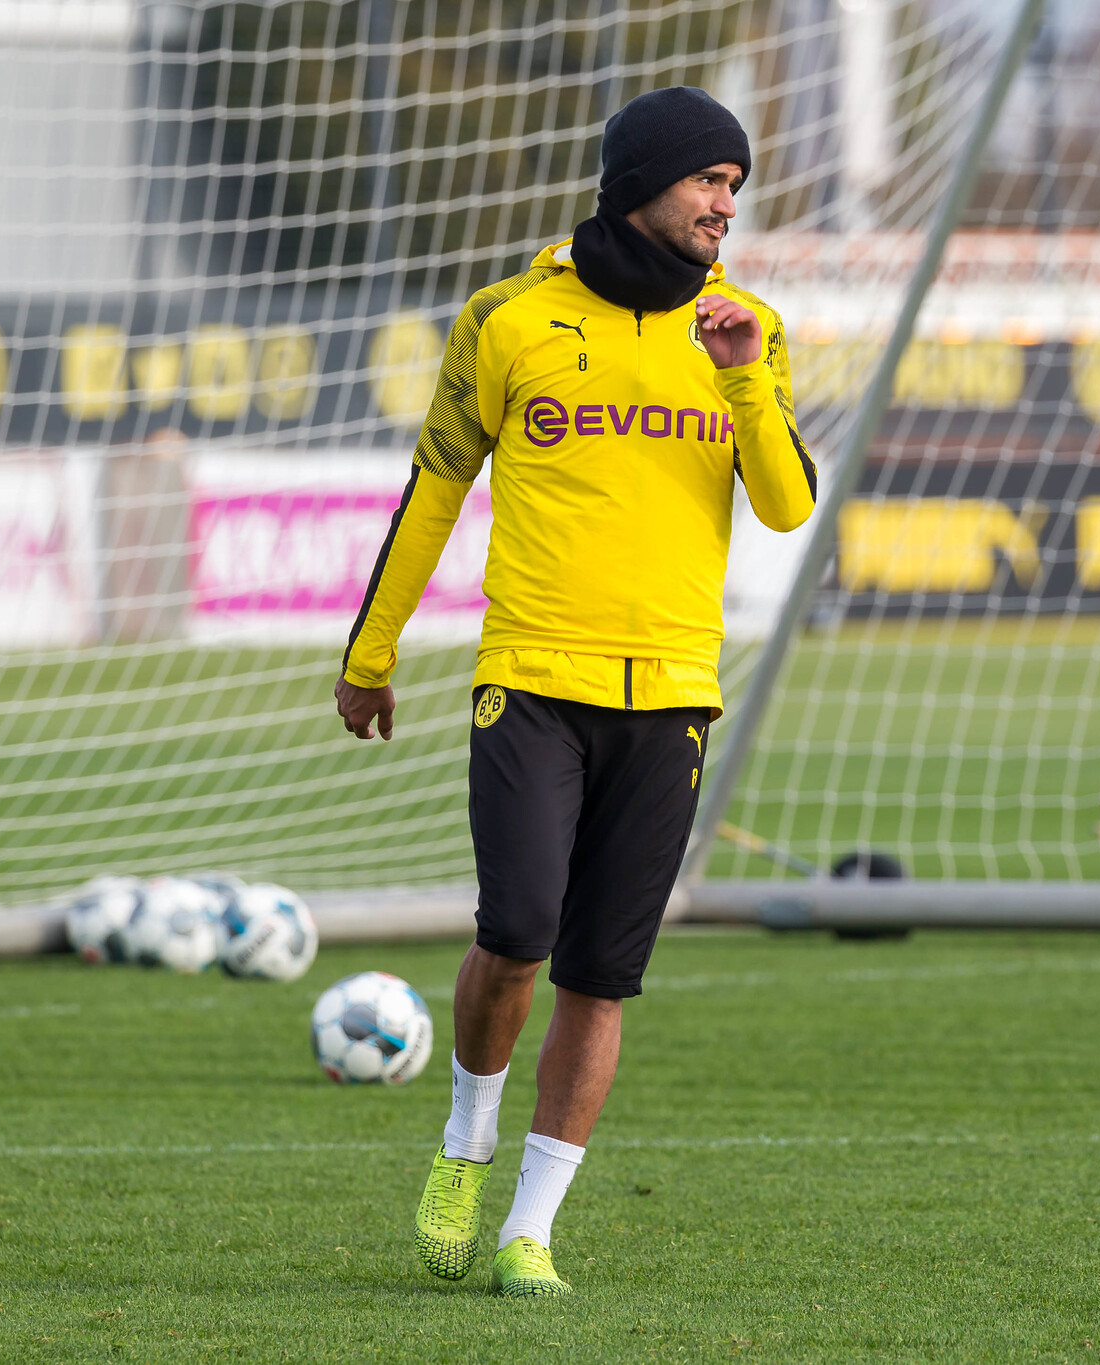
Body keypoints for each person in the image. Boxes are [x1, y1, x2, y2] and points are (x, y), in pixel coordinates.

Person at [333, 86, 815, 1298]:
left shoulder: (747, 327)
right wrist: (370, 651)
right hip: (532, 680)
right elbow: (432, 490)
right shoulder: (508, 318)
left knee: (601, 976)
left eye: (734, 188)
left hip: (672, 694)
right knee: (515, 938)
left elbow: (788, 505)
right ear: (640, 180)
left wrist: (746, 382)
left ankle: (529, 1231)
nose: (724, 206)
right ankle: (462, 1149)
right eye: (709, 180)